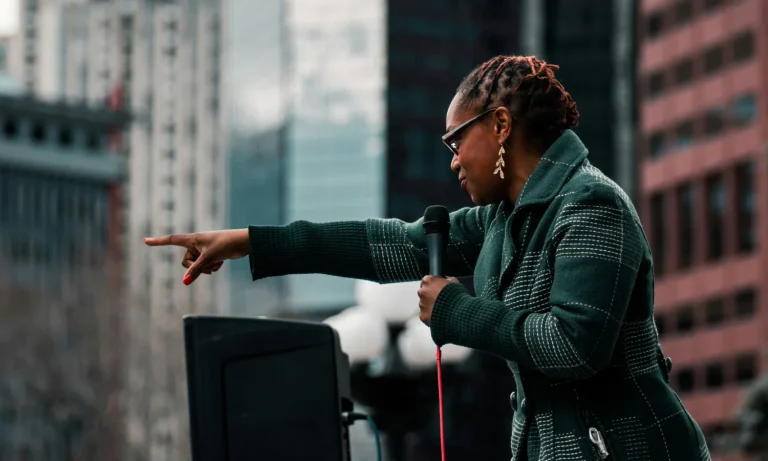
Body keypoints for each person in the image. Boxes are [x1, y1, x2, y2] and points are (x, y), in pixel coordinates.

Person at [144, 55, 710, 460]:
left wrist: (457, 312)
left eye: (456, 140)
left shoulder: (590, 205)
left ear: (501, 125)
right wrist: (250, 241)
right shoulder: (505, 218)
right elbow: (388, 244)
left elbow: (574, 346)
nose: (453, 160)